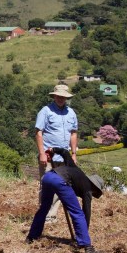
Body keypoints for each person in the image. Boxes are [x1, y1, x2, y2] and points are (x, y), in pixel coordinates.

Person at [26, 148, 101, 253]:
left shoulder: (75, 168)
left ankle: (31, 237)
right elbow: (86, 213)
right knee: (77, 213)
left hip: (47, 177)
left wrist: (53, 150)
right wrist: (85, 232)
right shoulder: (88, 189)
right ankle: (88, 248)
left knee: (44, 208)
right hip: (59, 181)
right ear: (95, 188)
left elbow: (65, 152)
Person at [35, 83, 79, 222]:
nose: (60, 99)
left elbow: (73, 133)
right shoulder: (46, 111)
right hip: (48, 155)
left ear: (66, 98)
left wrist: (73, 154)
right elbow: (38, 132)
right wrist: (42, 153)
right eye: (58, 96)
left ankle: (52, 215)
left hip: (64, 157)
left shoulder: (71, 113)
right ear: (54, 96)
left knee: (61, 184)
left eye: (63, 97)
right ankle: (44, 214)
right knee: (47, 184)